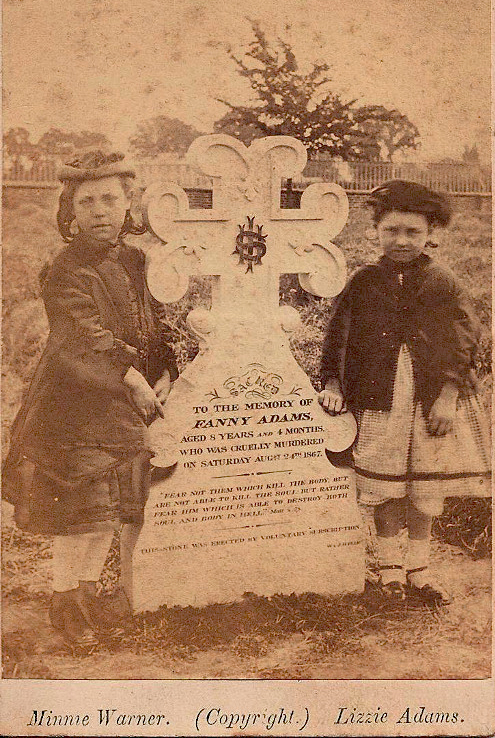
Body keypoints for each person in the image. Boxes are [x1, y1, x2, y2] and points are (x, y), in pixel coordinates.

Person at [3, 151, 179, 648]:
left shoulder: (135, 260)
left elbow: (152, 322)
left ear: (129, 205)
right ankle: (64, 603)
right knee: (78, 511)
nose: (100, 210)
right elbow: (83, 334)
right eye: (87, 202)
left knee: (109, 509)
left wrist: (162, 367)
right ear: (70, 212)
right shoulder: (63, 268)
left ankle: (86, 593)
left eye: (110, 199)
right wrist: (133, 378)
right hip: (74, 405)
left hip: (119, 404)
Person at [319, 180, 490, 605]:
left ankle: (419, 569)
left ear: (431, 233)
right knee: (387, 486)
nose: (401, 240)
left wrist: (449, 395)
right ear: (375, 230)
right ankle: (389, 568)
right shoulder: (362, 282)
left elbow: (464, 339)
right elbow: (337, 335)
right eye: (391, 230)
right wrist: (334, 383)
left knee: (424, 489)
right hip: (380, 398)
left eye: (413, 232)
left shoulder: (443, 281)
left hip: (431, 401)